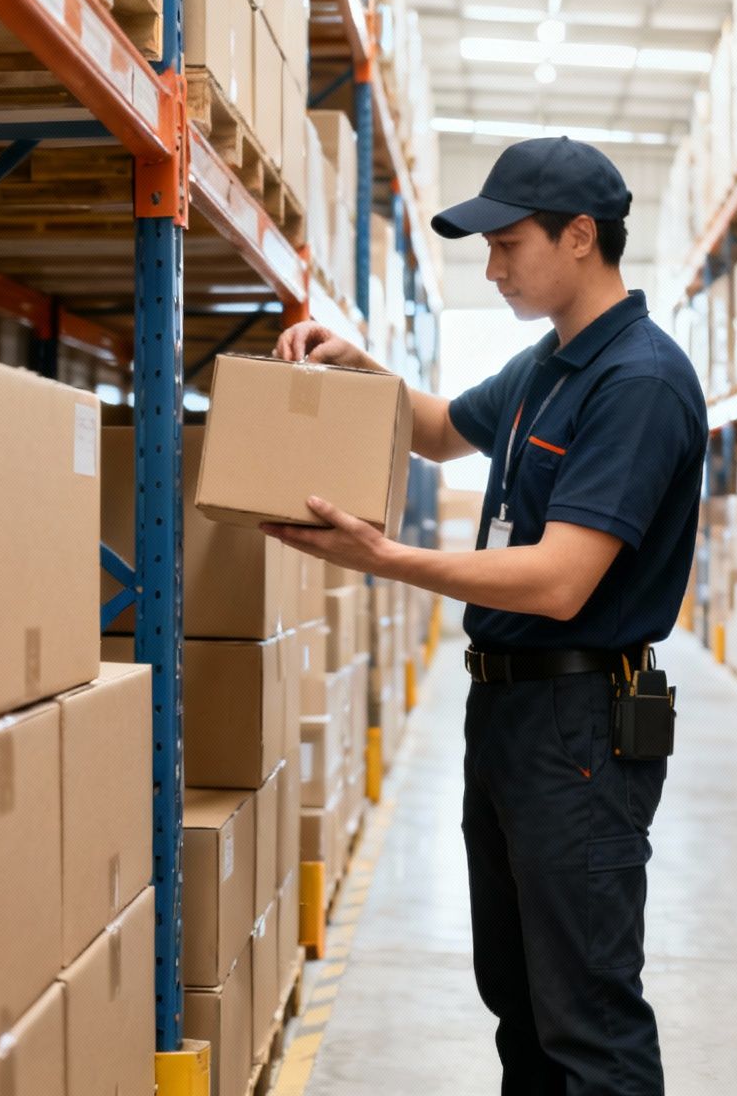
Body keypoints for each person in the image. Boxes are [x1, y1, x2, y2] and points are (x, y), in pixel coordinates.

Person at [266, 137, 703, 1094]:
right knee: (519, 998)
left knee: (586, 1011)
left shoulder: (637, 382)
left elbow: (558, 581)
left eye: (510, 244)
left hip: (580, 726)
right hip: (508, 715)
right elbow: (436, 429)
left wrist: (385, 559)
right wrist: (359, 368)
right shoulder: (546, 365)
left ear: (581, 236)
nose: (495, 267)